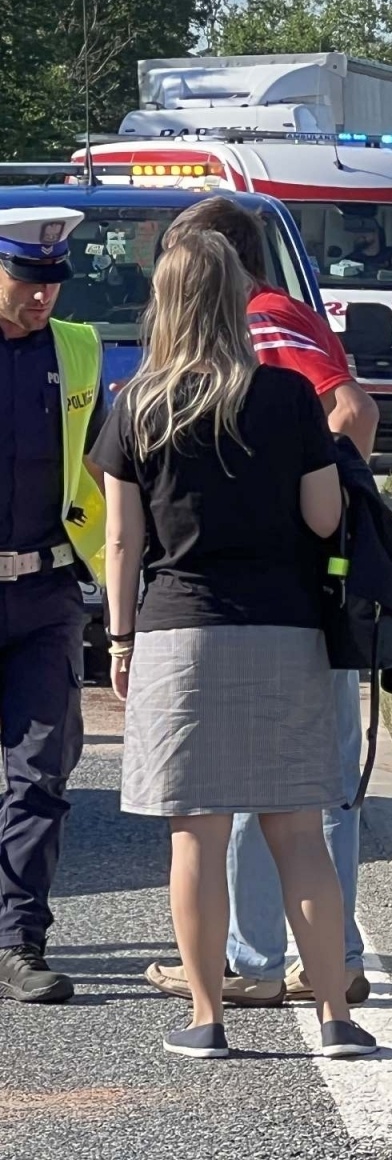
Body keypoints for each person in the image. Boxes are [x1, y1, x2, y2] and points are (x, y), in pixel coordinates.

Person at [92, 229, 377, 1059]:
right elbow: (326, 517)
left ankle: (207, 1018)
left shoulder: (136, 406)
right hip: (286, 630)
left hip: (181, 634)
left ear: (164, 305)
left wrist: (120, 640)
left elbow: (120, 543)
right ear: (235, 301)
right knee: (298, 832)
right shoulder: (288, 399)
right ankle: (335, 1018)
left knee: (196, 838)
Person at [0, 208, 109, 1004]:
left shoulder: (78, 349)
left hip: (46, 591)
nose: (42, 297)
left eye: (51, 283)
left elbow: (105, 467)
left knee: (41, 772)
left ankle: (20, 942)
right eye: (26, 281)